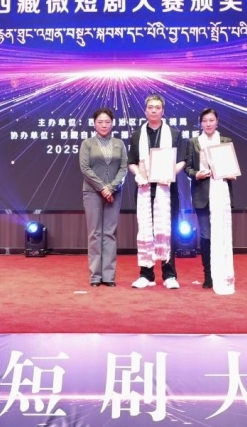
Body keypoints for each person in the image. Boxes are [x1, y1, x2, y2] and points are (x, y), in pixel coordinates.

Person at [127, 94, 185, 289]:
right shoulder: (137, 135)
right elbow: (132, 162)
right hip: (145, 190)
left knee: (168, 231)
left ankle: (170, 275)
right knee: (145, 231)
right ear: (145, 111)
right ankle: (146, 275)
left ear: (163, 111)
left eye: (157, 107)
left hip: (167, 190)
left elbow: (181, 161)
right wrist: (137, 174)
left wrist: (170, 174)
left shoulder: (174, 134)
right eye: (150, 107)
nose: (153, 110)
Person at [184, 107, 236, 295]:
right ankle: (208, 275)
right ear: (200, 123)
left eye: (211, 120)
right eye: (204, 120)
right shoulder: (193, 142)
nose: (208, 124)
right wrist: (196, 174)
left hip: (221, 194)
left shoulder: (226, 142)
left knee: (221, 234)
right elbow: (187, 168)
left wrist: (230, 173)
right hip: (202, 194)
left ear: (217, 122)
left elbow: (232, 167)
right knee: (206, 235)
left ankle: (222, 272)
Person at [79, 107, 128, 287]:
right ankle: (95, 276)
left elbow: (123, 168)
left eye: (107, 122)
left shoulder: (119, 143)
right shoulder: (87, 144)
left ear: (112, 124)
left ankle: (109, 276)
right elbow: (85, 168)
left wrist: (112, 187)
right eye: (100, 122)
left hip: (114, 193)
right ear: (94, 124)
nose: (104, 125)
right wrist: (102, 188)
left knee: (109, 233)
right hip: (92, 193)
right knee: (95, 234)